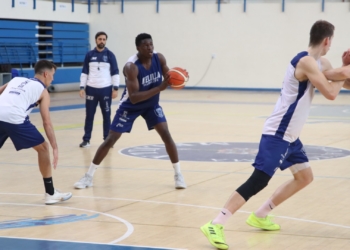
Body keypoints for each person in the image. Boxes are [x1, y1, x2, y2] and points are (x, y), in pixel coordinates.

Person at [200, 20, 350, 250]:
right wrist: (343, 72)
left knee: (304, 177)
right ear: (327, 40)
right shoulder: (305, 61)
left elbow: (340, 79)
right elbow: (331, 91)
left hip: (291, 136)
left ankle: (260, 214)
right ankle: (216, 223)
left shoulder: (322, 62)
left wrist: (343, 71)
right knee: (259, 179)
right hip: (278, 133)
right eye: (331, 42)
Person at [73, 33, 187, 190]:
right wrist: (159, 88)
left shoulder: (159, 58)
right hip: (131, 105)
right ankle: (88, 177)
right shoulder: (131, 67)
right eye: (146, 45)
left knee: (166, 134)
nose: (150, 48)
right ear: (138, 48)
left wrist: (180, 80)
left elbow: (170, 77)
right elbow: (134, 97)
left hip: (151, 104)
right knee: (111, 139)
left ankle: (178, 175)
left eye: (151, 44)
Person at [0, 60, 72, 205]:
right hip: (15, 118)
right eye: (53, 75)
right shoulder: (43, 91)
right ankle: (50, 193)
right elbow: (46, 122)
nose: (53, 79)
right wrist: (55, 147)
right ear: (46, 74)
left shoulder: (16, 80)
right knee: (43, 148)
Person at [79, 31, 120, 148]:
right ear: (96, 40)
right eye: (100, 39)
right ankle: (86, 140)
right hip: (91, 90)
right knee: (89, 116)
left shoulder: (111, 55)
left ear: (106, 41)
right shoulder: (89, 55)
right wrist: (82, 87)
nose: (102, 41)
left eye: (104, 39)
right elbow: (84, 72)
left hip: (105, 90)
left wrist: (115, 88)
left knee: (106, 116)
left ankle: (107, 140)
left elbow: (115, 73)